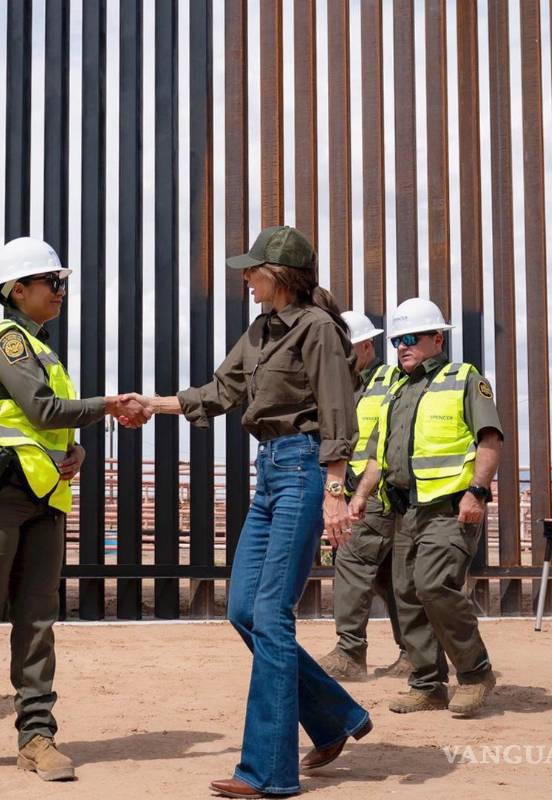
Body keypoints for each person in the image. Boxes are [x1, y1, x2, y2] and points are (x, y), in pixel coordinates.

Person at [130, 226, 372, 799]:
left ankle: (268, 771)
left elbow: (338, 410)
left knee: (271, 612)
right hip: (270, 472)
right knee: (243, 608)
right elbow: (221, 389)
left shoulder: (316, 330)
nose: (244, 277)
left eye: (252, 269)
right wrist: (153, 404)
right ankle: (336, 716)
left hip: (306, 469)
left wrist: (336, 491)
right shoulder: (261, 330)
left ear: (281, 275)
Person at [0, 237, 149, 781]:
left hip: (40, 498)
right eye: (52, 282)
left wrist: (76, 448)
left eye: (60, 282)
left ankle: (37, 737)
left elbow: (48, 424)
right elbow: (42, 409)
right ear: (17, 290)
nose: (60, 290)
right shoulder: (10, 341)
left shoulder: (41, 348)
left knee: (37, 621)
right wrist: (109, 406)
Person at [349, 297, 503, 717]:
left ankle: (475, 673)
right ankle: (428, 685)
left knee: (434, 585)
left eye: (412, 338)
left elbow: (490, 439)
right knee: (406, 594)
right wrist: (361, 495)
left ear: (438, 338)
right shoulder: (396, 388)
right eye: (398, 339)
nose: (402, 346)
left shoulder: (464, 378)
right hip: (405, 510)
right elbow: (381, 455)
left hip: (448, 508)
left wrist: (478, 492)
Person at [316, 310, 409, 682]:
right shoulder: (343, 386)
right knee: (389, 577)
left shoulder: (390, 381)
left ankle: (350, 651)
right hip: (356, 492)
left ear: (368, 345)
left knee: (352, 564)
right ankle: (415, 653)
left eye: (348, 349)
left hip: (375, 492)